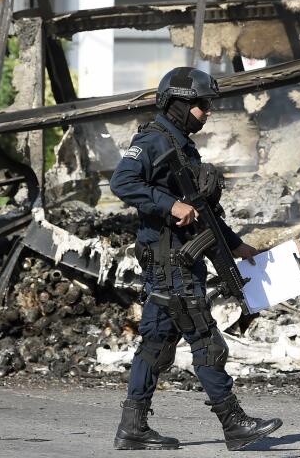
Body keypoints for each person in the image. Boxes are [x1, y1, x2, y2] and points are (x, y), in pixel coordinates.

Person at [109, 67, 282, 451]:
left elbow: (202, 210)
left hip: (175, 259)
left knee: (155, 345)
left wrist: (235, 246)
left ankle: (132, 428)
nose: (207, 111)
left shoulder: (182, 144)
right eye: (201, 104)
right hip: (172, 260)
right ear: (177, 104)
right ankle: (233, 423)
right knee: (206, 340)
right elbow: (122, 181)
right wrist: (170, 205)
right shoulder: (153, 141)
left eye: (207, 104)